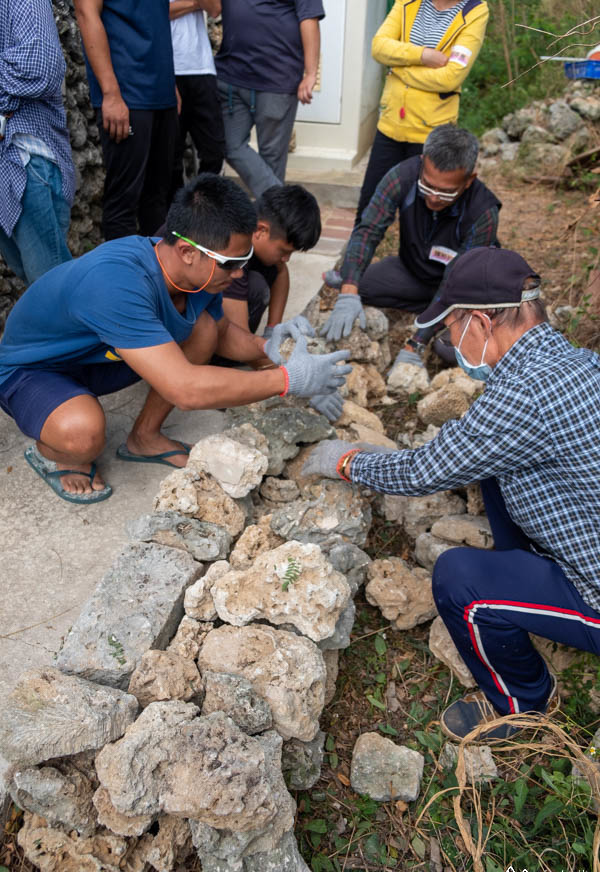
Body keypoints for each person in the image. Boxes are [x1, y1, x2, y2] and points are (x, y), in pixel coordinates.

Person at [303, 245, 600, 741]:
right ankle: (523, 574)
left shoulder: (523, 395)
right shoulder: (578, 362)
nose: (451, 339)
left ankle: (523, 701)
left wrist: (348, 461)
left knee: (459, 580)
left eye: (452, 326)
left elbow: (423, 471)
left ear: (483, 323)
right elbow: (476, 449)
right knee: (492, 471)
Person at [0, 174, 350, 505]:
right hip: (33, 370)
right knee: (84, 434)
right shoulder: (117, 282)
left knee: (204, 330)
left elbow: (224, 333)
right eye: (231, 262)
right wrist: (287, 380)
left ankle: (144, 438)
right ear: (187, 251)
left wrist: (270, 347)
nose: (240, 272)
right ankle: (52, 452)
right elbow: (186, 389)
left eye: (244, 259)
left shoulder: (195, 275)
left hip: (97, 357)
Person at [323, 0, 489, 288]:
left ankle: (430, 277)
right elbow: (379, 46)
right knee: (370, 201)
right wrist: (424, 55)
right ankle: (350, 269)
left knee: (426, 208)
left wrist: (400, 70)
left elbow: (452, 75)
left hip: (431, 132)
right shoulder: (408, 2)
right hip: (391, 124)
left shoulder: (474, 10)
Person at [320, 125, 500, 369]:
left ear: (469, 180)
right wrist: (348, 291)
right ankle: (431, 310)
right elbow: (368, 231)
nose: (434, 197)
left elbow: (457, 281)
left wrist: (415, 344)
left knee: (449, 350)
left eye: (447, 192)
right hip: (413, 272)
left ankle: (443, 316)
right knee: (355, 281)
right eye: (427, 186)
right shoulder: (401, 177)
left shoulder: (483, 212)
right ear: (422, 161)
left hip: (463, 291)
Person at [219, 182, 340, 421]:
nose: (287, 258)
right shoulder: (232, 254)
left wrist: (273, 331)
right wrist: (298, 379)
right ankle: (217, 368)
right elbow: (239, 342)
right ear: (261, 230)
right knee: (254, 288)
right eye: (285, 249)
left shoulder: (252, 229)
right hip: (188, 337)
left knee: (274, 269)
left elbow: (281, 272)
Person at [74, 0, 179, 240]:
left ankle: (155, 276)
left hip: (162, 93)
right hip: (127, 93)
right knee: (124, 202)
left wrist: (170, 84)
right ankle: (120, 276)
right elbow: (86, 13)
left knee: (159, 201)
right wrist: (111, 94)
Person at [0, 0, 75, 285]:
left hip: (25, 161)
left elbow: (41, 66)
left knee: (53, 292)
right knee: (41, 291)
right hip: (13, 164)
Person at [215, 0, 324, 198]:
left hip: (276, 80)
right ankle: (281, 210)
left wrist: (310, 74)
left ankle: (273, 221)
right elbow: (213, 9)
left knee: (272, 159)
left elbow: (309, 19)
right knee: (229, 146)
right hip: (231, 76)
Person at [169, 0, 225, 197]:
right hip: (169, 68)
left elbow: (215, 8)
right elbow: (156, 13)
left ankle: (201, 207)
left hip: (202, 69)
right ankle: (175, 218)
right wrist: (195, 3)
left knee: (215, 151)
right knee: (170, 156)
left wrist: (185, 6)